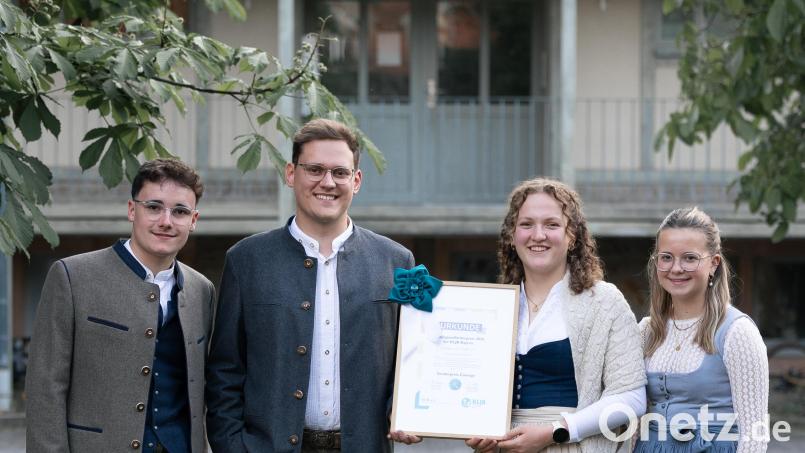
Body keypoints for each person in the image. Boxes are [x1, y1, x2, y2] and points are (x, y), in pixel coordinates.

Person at [205, 118, 415, 452]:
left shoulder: (398, 261)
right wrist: (232, 446)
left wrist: (408, 409)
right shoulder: (246, 260)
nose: (327, 182)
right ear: (291, 174)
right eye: (314, 169)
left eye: (340, 172)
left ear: (356, 180)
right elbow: (225, 371)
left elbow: (414, 357)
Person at [26, 158, 215, 453]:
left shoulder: (202, 289)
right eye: (153, 207)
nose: (166, 220)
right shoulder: (72, 276)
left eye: (180, 211)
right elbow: (45, 389)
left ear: (193, 220)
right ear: (132, 210)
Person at [464, 177, 647, 453]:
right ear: (512, 236)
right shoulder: (493, 308)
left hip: (572, 446)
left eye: (551, 224)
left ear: (572, 236)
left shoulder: (605, 302)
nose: (538, 235)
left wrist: (557, 431)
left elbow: (631, 397)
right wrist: (479, 429)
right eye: (526, 224)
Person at [634, 207, 768, 453]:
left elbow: (755, 434)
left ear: (713, 264)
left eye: (690, 257)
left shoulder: (736, 332)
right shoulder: (646, 330)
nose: (676, 268)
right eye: (666, 257)